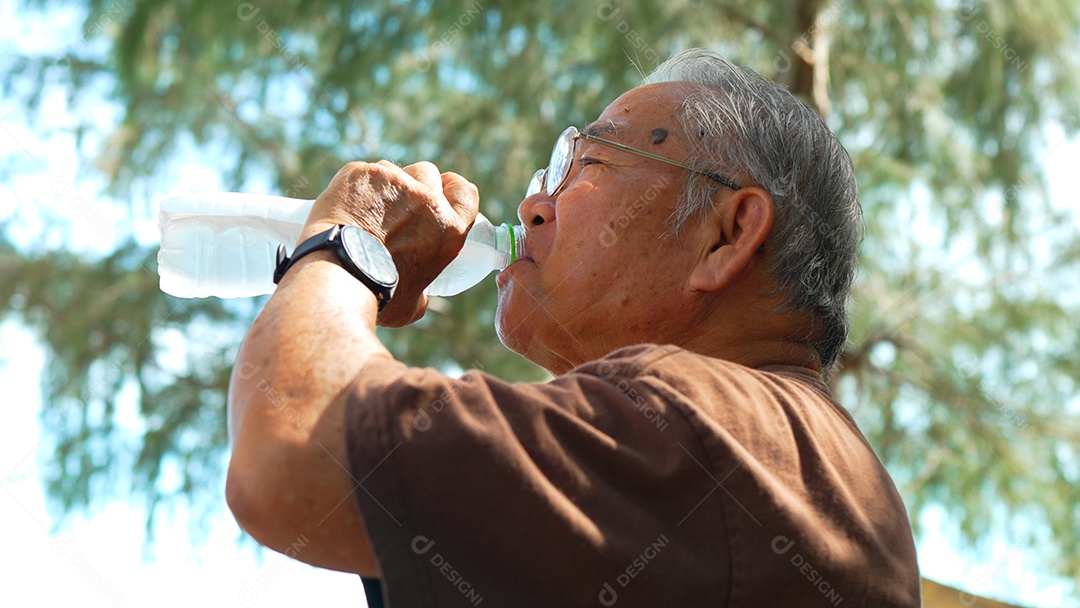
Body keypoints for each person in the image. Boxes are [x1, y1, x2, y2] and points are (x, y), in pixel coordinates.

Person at [225, 48, 921, 606]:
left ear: (728, 235)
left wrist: (350, 243)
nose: (533, 206)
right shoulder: (790, 454)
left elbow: (288, 455)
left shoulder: (702, 425)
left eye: (588, 163)